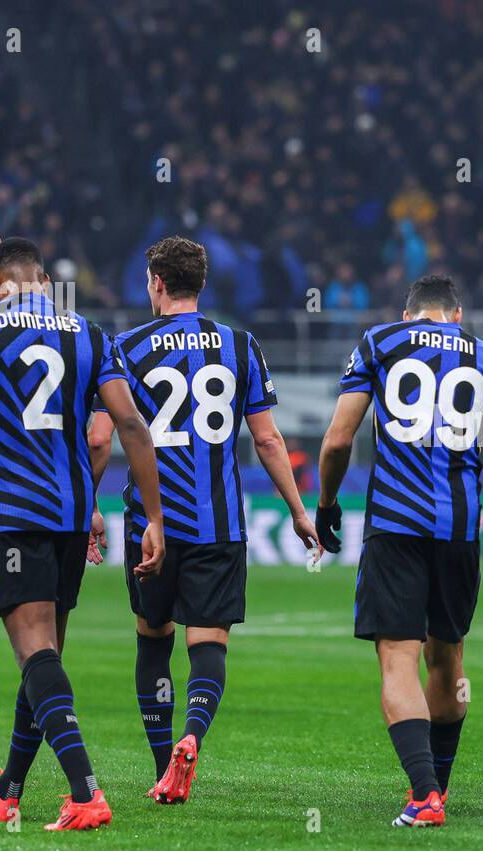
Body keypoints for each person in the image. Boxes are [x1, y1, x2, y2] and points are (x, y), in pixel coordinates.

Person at [0, 237, 166, 830]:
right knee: (44, 653)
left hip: (15, 514)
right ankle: (10, 787)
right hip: (70, 515)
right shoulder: (92, 335)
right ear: (43, 279)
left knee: (35, 651)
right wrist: (155, 520)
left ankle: (85, 792)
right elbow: (127, 427)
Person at [88, 236, 319, 803]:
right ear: (202, 284)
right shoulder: (241, 345)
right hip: (220, 524)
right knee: (208, 644)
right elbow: (266, 439)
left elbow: (98, 437)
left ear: (157, 284)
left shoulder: (123, 347)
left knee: (152, 638)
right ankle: (192, 738)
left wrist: (86, 508)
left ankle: (162, 762)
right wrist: (297, 510)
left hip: (152, 523)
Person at [314, 274, 483, 827]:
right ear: (456, 314)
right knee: (449, 658)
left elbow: (339, 438)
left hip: (394, 525)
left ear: (408, 312)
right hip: (459, 531)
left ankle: (424, 795)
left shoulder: (380, 342)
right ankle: (436, 786)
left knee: (398, 657)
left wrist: (326, 504)